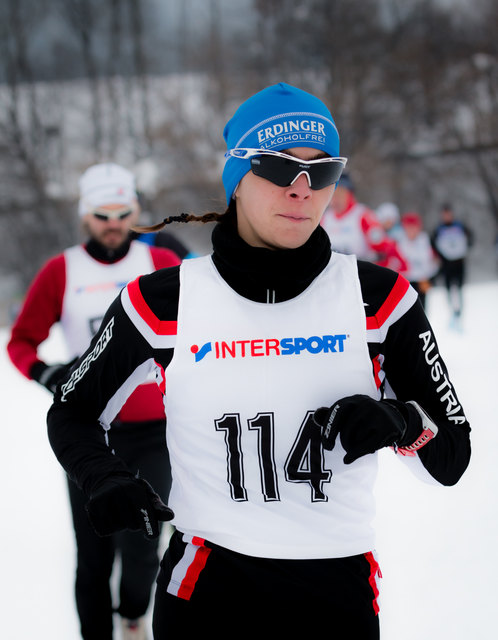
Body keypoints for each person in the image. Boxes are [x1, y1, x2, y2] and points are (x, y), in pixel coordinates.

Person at [46, 84, 471, 638]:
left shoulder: (380, 300)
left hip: (335, 589)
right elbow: (71, 412)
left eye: (321, 171)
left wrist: (405, 423)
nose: (302, 189)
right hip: (206, 586)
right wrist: (101, 475)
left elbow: (453, 457)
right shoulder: (162, 300)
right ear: (237, 178)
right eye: (279, 167)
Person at [7, 163, 181, 640]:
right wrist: (50, 374)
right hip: (90, 432)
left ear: (136, 212)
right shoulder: (61, 270)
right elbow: (21, 341)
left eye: (122, 212)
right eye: (102, 214)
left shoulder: (160, 263)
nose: (112, 223)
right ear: (86, 215)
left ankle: (131, 615)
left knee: (146, 538)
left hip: (155, 431)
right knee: (94, 551)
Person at [321, 173, 408, 273]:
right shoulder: (325, 217)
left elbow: (384, 246)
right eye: (332, 195)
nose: (335, 200)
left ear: (350, 194)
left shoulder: (362, 215)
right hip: (332, 273)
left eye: (339, 194)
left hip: (357, 274)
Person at [431, 203, 473, 327]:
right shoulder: (438, 229)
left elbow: (470, 238)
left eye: (448, 214)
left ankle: (460, 312)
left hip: (459, 262)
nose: (447, 216)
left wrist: (465, 249)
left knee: (459, 288)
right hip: (446, 264)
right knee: (448, 288)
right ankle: (451, 312)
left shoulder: (460, 226)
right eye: (444, 214)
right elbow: (433, 244)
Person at [397, 211, 439, 309]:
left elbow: (433, 260)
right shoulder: (400, 241)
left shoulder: (424, 239)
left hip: (422, 280)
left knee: (422, 309)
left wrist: (430, 276)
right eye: (408, 227)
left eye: (413, 227)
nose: (411, 231)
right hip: (406, 281)